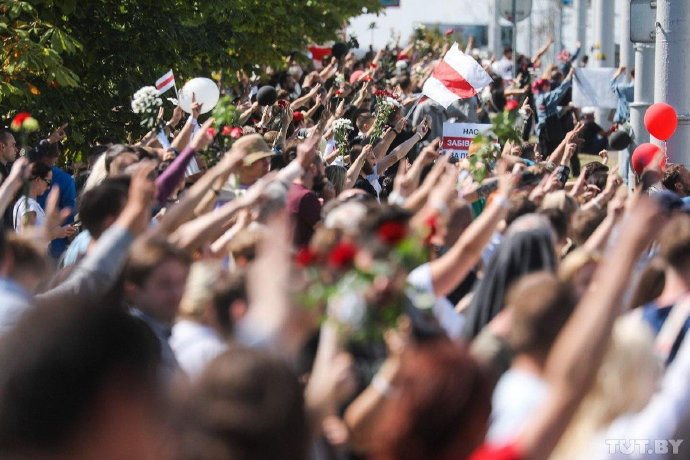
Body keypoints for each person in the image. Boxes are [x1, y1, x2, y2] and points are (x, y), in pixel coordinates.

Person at [30, 140, 76, 258]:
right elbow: (69, 214)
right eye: (47, 182)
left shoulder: (26, 175)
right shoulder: (66, 180)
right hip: (55, 246)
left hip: (30, 250)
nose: (48, 187)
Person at [534, 66, 575, 158]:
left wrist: (566, 107)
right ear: (544, 86)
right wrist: (569, 76)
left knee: (543, 155)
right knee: (552, 154)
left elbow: (551, 110)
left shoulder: (537, 98)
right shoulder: (547, 96)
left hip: (542, 130)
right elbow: (560, 91)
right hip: (550, 130)